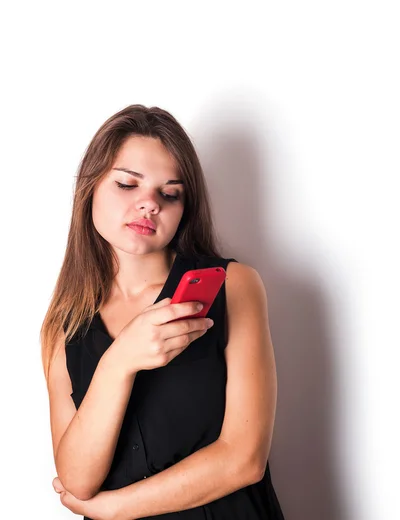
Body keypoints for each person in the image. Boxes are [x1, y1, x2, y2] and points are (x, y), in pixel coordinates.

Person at [41, 104, 285, 519]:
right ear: (91, 187)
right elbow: (77, 480)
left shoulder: (233, 286)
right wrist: (119, 362)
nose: (148, 204)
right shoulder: (63, 325)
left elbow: (244, 459)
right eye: (127, 184)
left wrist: (116, 509)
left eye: (168, 193)